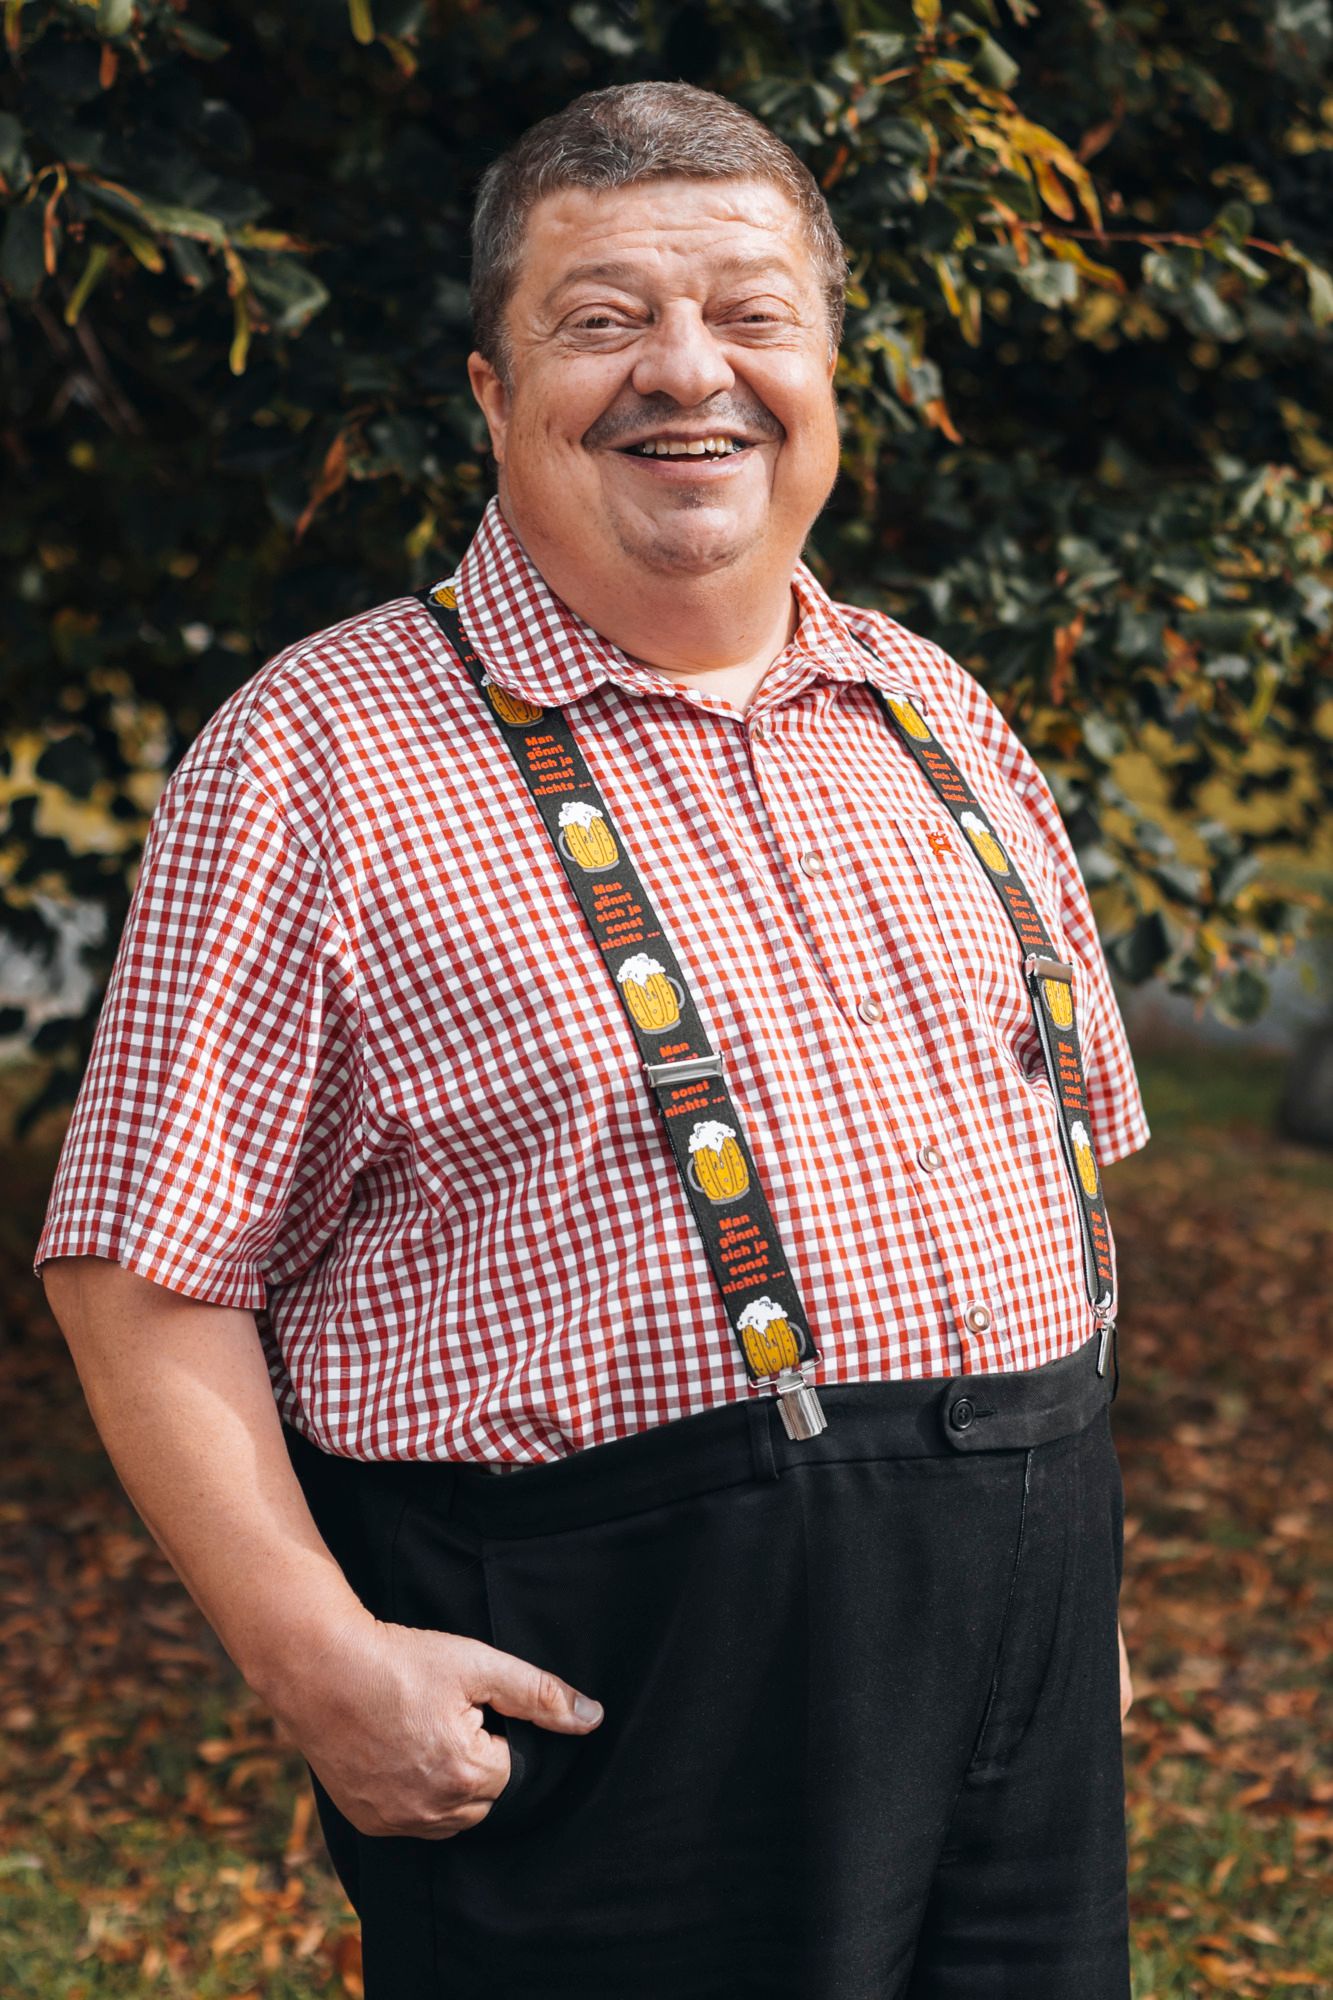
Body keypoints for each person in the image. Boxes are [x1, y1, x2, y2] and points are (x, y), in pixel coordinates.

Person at [35, 80, 1147, 1999]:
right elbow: (139, 1276)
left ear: (826, 366)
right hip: (613, 1696)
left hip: (1018, 1660)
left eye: (750, 315)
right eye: (603, 319)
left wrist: (1068, 1611)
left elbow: (1058, 1176)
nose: (687, 373)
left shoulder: (936, 710)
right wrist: (318, 1659)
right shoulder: (311, 758)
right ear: (491, 391)